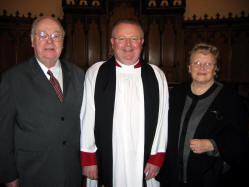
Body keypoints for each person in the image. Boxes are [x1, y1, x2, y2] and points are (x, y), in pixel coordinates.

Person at [80, 18, 169, 187]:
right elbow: (87, 116)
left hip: (143, 158)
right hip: (107, 156)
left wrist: (157, 157)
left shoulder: (156, 75)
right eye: (121, 38)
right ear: (112, 42)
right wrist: (89, 158)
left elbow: (162, 120)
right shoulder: (96, 72)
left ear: (142, 42)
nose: (128, 44)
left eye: (134, 38)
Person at [0, 16, 85, 187]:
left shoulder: (79, 75)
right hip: (32, 174)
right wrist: (9, 176)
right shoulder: (12, 79)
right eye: (42, 35)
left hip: (72, 173)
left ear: (63, 40)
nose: (49, 41)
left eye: (55, 36)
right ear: (32, 40)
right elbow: (3, 132)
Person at [157, 43, 249, 187]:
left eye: (208, 63)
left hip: (209, 176)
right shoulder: (176, 93)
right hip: (173, 175)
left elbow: (239, 136)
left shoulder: (229, 97)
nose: (202, 68)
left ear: (215, 68)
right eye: (197, 62)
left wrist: (213, 145)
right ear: (189, 67)